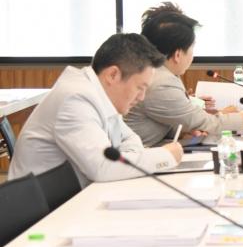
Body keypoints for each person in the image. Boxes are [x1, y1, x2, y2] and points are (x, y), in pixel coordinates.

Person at [9, 33, 183, 187]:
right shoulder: (75, 98)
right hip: (44, 210)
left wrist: (126, 158)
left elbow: (130, 138)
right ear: (113, 75)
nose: (142, 97)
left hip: (70, 199)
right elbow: (102, 167)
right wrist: (164, 156)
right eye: (140, 87)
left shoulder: (99, 94)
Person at [124, 4, 243, 146]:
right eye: (192, 48)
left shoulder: (161, 72)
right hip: (136, 159)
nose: (193, 55)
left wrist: (183, 131)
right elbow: (209, 123)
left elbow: (168, 120)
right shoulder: (161, 81)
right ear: (178, 54)